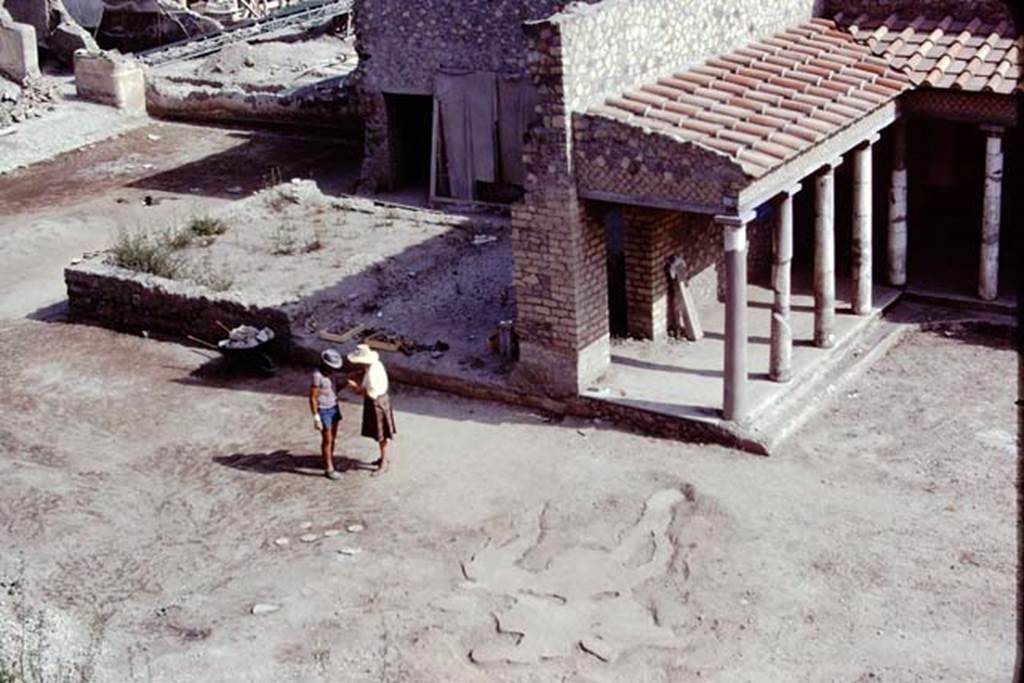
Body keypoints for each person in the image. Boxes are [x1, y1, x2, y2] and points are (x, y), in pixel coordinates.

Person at [345, 343, 396, 475]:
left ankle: (384, 463)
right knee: (381, 434)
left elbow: (368, 393)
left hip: (376, 403)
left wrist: (355, 387)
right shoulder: (376, 364)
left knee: (381, 435)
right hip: (382, 399)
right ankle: (383, 458)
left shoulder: (372, 375)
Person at [310, 348, 344, 480]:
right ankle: (329, 468)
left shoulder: (332, 374)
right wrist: (316, 418)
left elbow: (333, 389)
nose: (333, 369)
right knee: (327, 439)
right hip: (324, 410)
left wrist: (347, 382)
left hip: (334, 406)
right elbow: (313, 397)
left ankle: (329, 459)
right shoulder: (317, 376)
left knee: (333, 437)